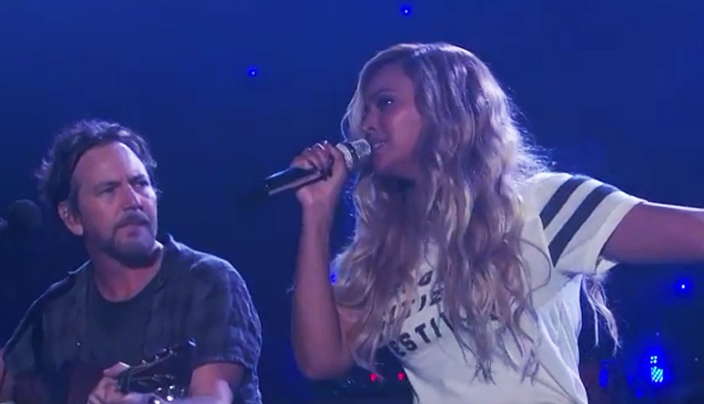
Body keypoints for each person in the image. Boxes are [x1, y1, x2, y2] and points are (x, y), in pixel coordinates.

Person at [289, 42, 704, 403]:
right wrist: (317, 212)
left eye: (385, 103)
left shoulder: (540, 207)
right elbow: (320, 360)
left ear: (444, 108)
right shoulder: (390, 253)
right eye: (365, 111)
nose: (367, 124)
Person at [0, 120, 262, 404]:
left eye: (140, 184)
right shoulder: (60, 307)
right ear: (72, 218)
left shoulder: (207, 281)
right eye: (109, 190)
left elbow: (213, 398)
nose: (133, 200)